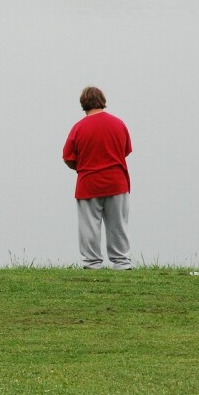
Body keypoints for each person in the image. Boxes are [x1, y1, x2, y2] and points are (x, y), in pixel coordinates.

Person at [62, 87, 133, 270]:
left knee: (89, 227)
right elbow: (125, 151)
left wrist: (81, 167)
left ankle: (92, 263)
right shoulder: (118, 124)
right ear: (102, 101)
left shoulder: (78, 128)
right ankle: (122, 263)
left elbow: (68, 158)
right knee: (118, 225)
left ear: (83, 104)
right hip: (117, 182)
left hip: (88, 183)